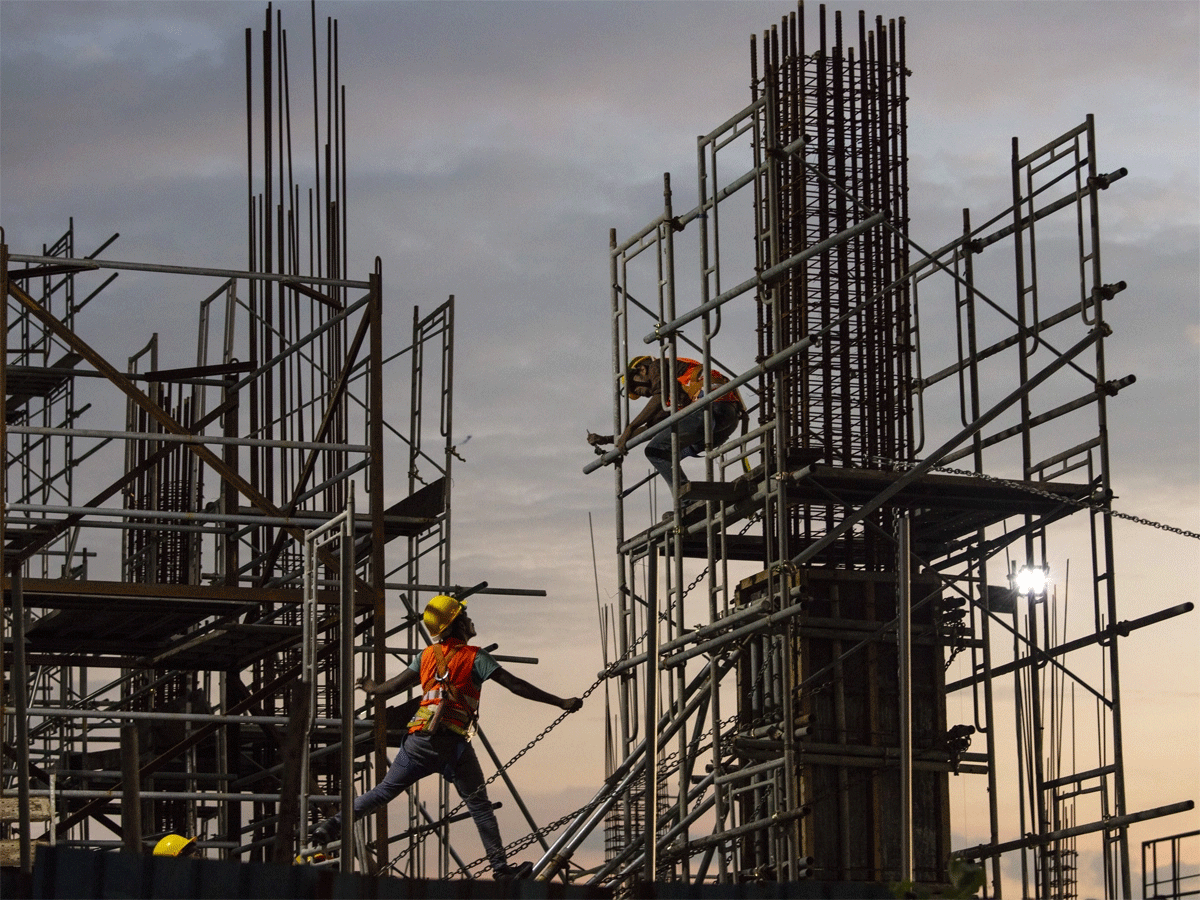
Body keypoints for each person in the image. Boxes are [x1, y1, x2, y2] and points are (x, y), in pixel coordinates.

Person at [309, 593, 582, 882]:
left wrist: (371, 687)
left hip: (419, 741)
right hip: (452, 744)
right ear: (457, 624)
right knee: (480, 807)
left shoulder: (426, 656)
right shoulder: (475, 657)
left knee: (382, 793)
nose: (470, 619)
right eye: (464, 615)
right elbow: (516, 685)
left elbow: (389, 689)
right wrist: (561, 702)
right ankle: (501, 870)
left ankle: (332, 826)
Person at [589, 354, 746, 494]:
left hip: (711, 406)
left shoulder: (657, 366)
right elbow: (649, 429)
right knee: (666, 455)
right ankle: (701, 495)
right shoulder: (672, 393)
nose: (641, 393)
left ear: (642, 370)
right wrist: (608, 440)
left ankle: (685, 499)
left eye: (636, 387)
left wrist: (630, 427)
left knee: (655, 451)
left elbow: (657, 398)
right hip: (726, 419)